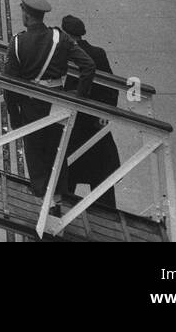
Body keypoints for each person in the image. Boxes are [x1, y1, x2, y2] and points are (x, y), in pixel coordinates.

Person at [2, 0, 96, 206]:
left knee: (35, 156)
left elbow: (10, 85)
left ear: (26, 15)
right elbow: (88, 66)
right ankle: (56, 202)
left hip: (30, 108)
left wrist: (14, 116)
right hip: (57, 105)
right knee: (57, 154)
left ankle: (45, 205)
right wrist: (78, 98)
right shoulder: (60, 38)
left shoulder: (18, 43)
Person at [59, 15, 122, 209]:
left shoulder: (65, 54)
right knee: (102, 184)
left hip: (73, 128)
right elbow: (112, 88)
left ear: (65, 33)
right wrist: (105, 114)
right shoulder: (98, 53)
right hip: (96, 129)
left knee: (66, 183)